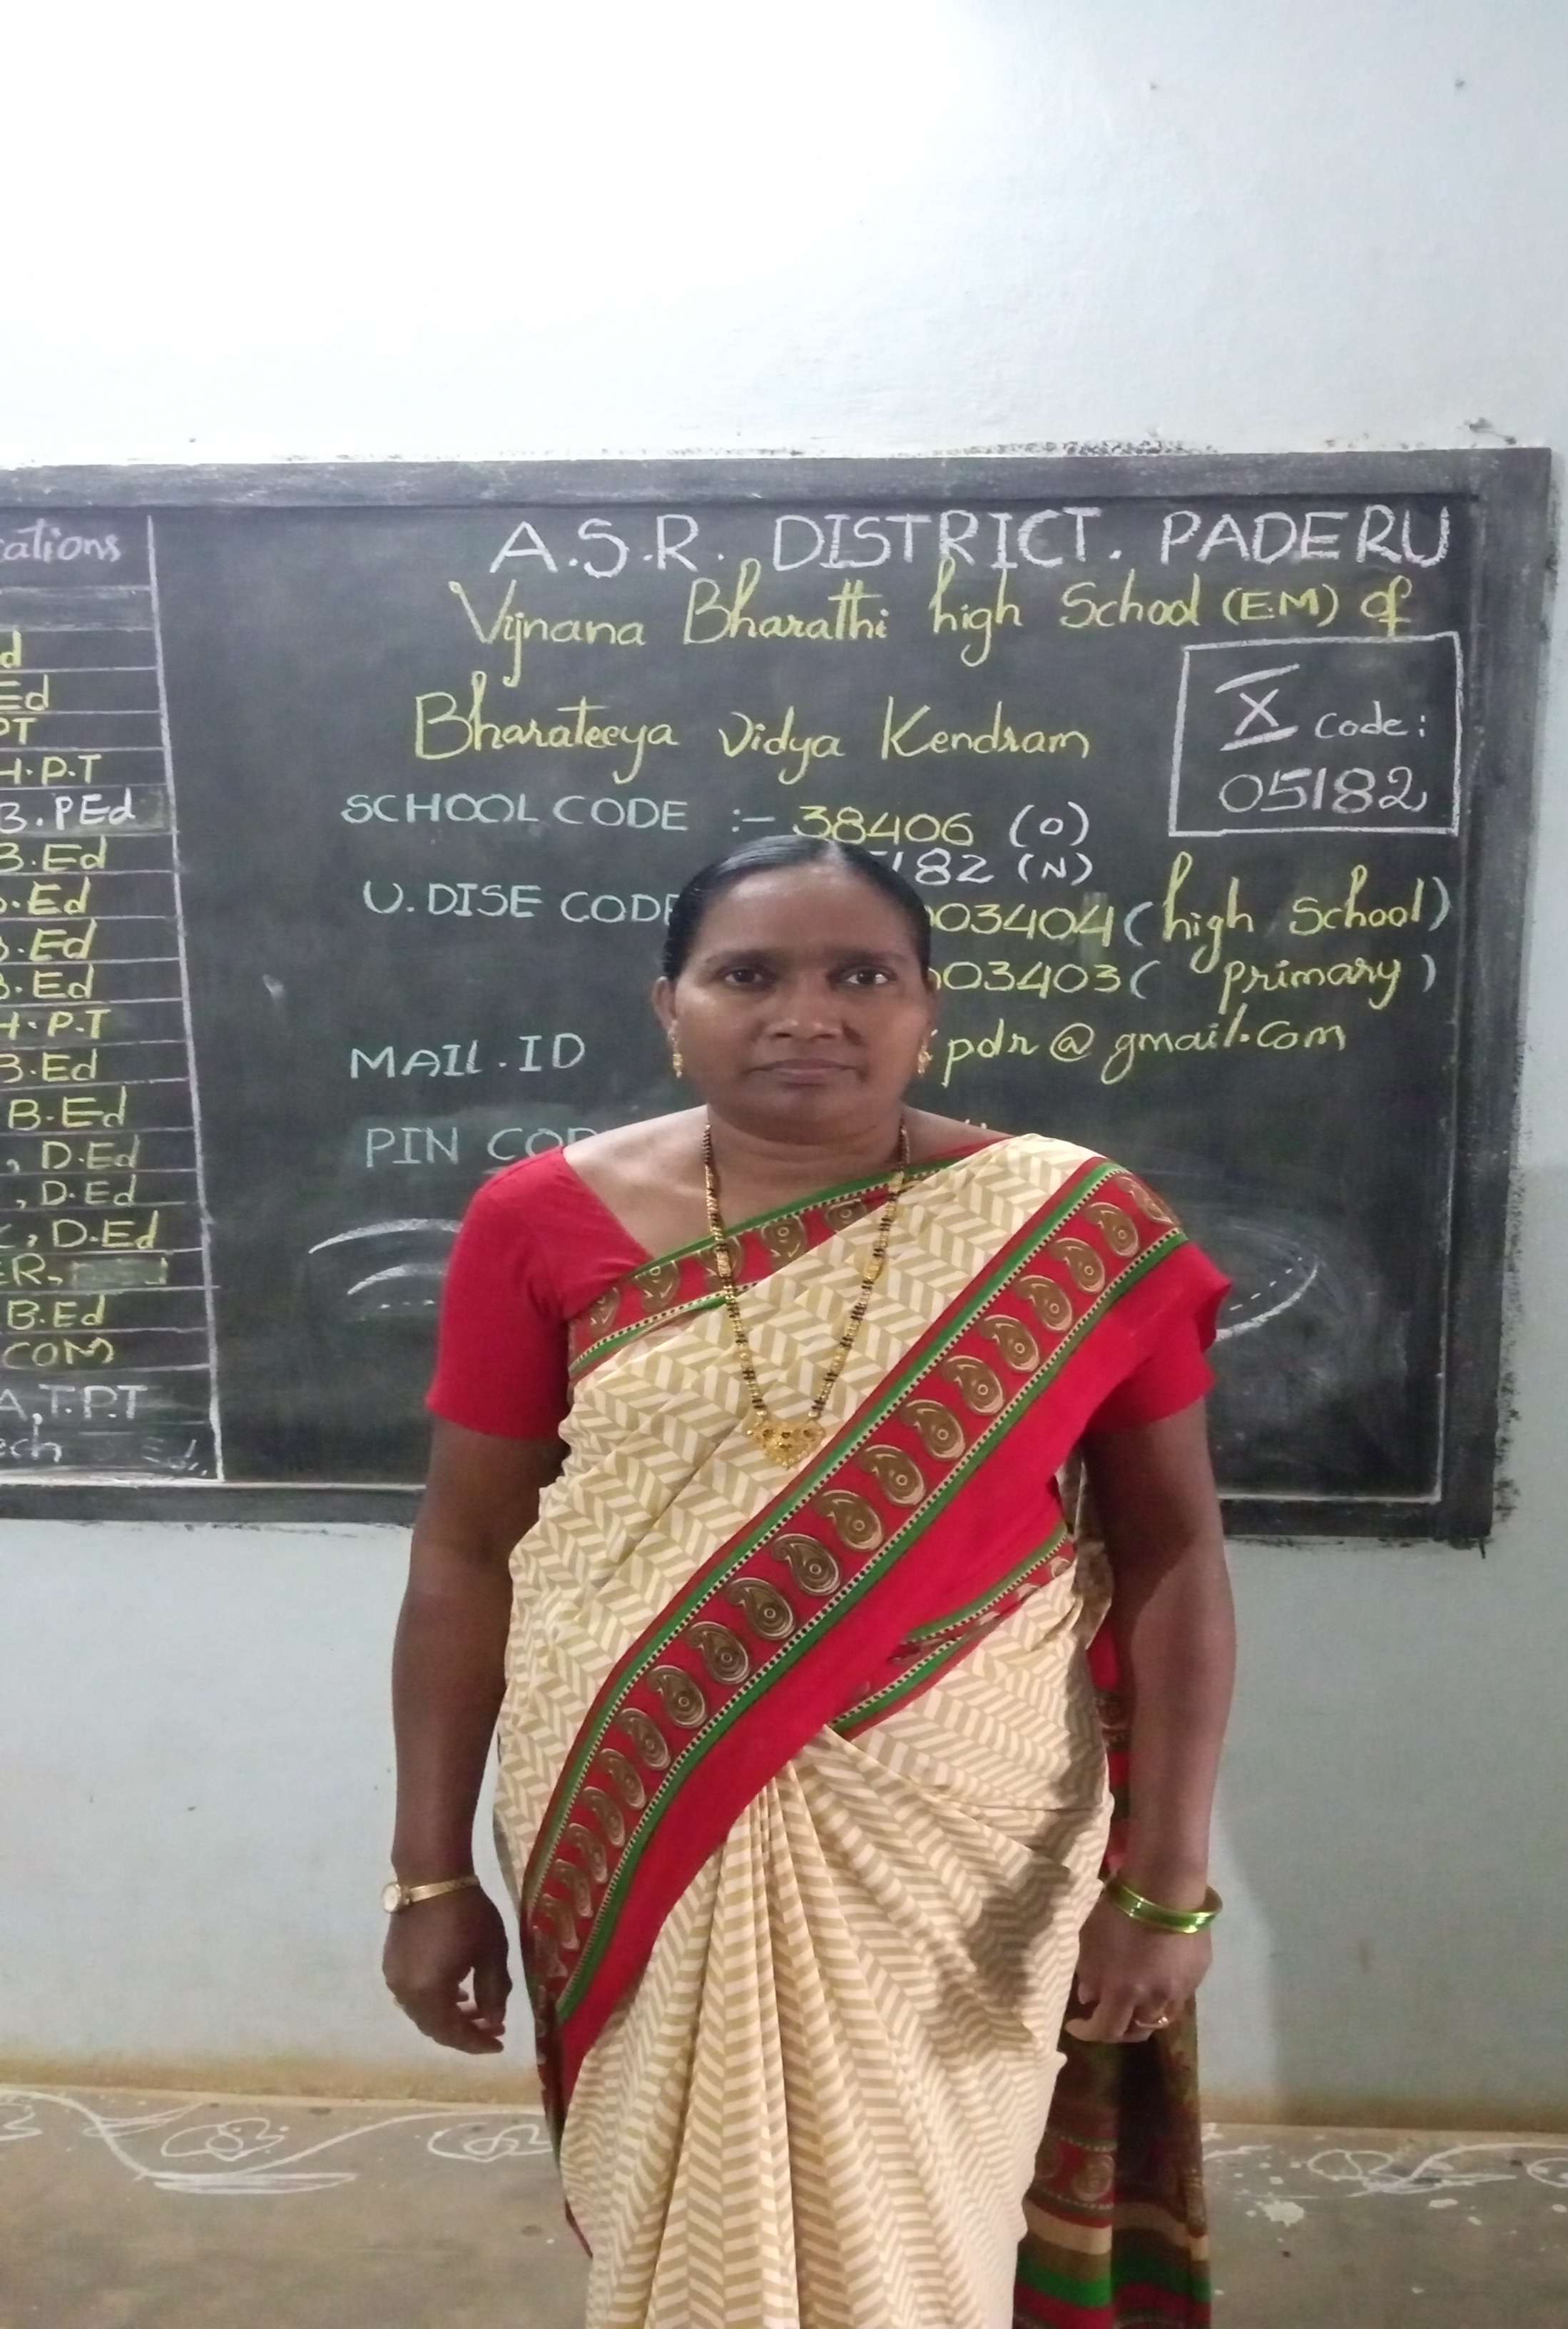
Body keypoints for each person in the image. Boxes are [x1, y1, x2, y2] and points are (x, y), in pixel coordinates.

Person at [384, 836, 1236, 2329]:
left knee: (924, 2226)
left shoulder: (1072, 1228)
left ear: (927, 1008)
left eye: (861, 975)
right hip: (633, 1790)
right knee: (684, 2220)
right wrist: (429, 1873)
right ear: (671, 1005)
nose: (807, 1013)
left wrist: (1166, 1882)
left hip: (963, 1833)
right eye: (748, 974)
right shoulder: (538, 1221)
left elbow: (1175, 1553)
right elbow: (464, 1552)